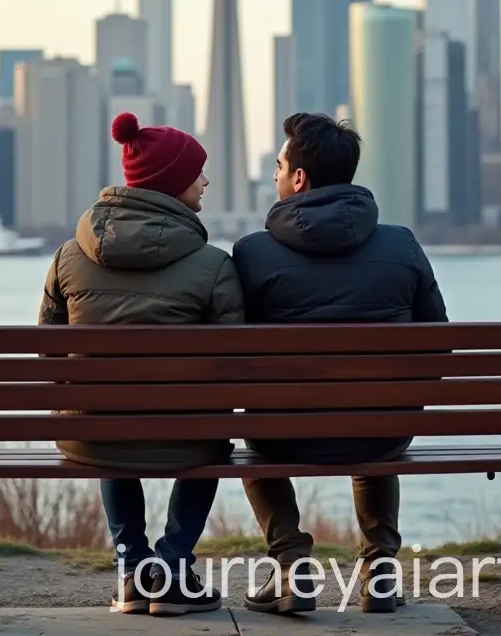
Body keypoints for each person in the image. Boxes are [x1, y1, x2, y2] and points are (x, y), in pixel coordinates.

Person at [232, 112, 449, 615]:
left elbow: (232, 356)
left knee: (251, 434)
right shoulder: (402, 243)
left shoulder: (253, 253)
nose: (275, 176)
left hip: (283, 433)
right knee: (373, 418)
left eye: (279, 166)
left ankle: (290, 564)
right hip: (383, 427)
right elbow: (437, 342)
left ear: (300, 179)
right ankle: (379, 570)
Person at [37, 111, 245, 616]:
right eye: (198, 174)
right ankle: (172, 566)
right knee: (211, 434)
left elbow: (49, 348)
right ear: (174, 184)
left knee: (105, 415)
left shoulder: (69, 255)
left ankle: (132, 566)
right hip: (189, 435)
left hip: (96, 433)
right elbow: (235, 359)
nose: (206, 182)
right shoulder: (214, 263)